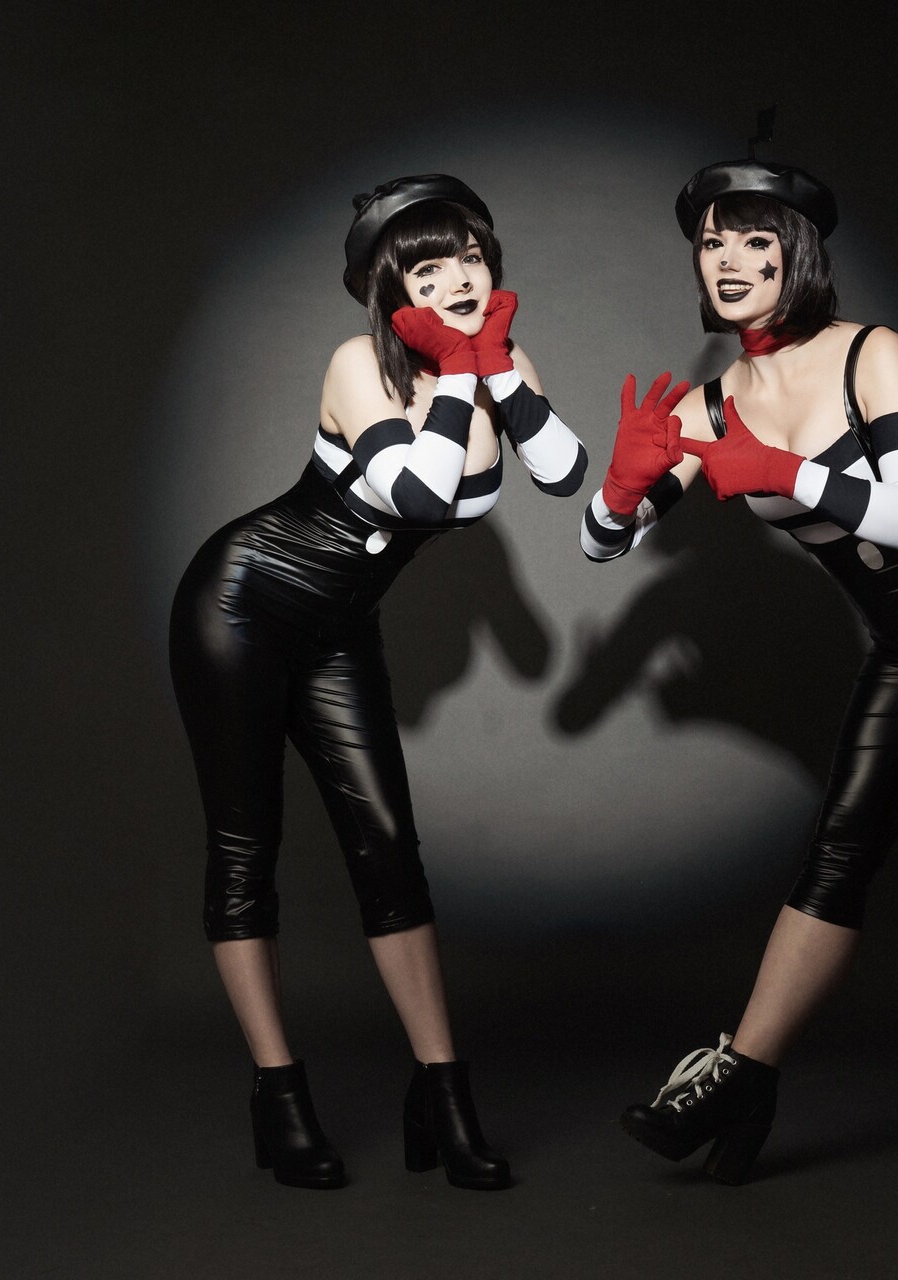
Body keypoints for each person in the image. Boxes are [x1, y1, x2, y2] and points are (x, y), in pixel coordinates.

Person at [582, 159, 898, 1229]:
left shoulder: (870, 352)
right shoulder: (712, 403)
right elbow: (599, 545)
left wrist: (783, 472)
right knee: (837, 852)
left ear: (797, 253)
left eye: (753, 241)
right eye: (711, 242)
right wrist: (620, 491)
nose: (728, 261)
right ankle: (743, 1072)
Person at [169, 174, 586, 1191]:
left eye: (469, 260)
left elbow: (566, 477)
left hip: (338, 629)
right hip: (243, 601)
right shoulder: (360, 365)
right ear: (389, 289)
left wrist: (500, 377)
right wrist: (456, 374)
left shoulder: (500, 357)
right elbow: (420, 492)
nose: (457, 281)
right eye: (427, 270)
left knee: (390, 847)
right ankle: (279, 1095)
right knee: (246, 849)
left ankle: (441, 1092)